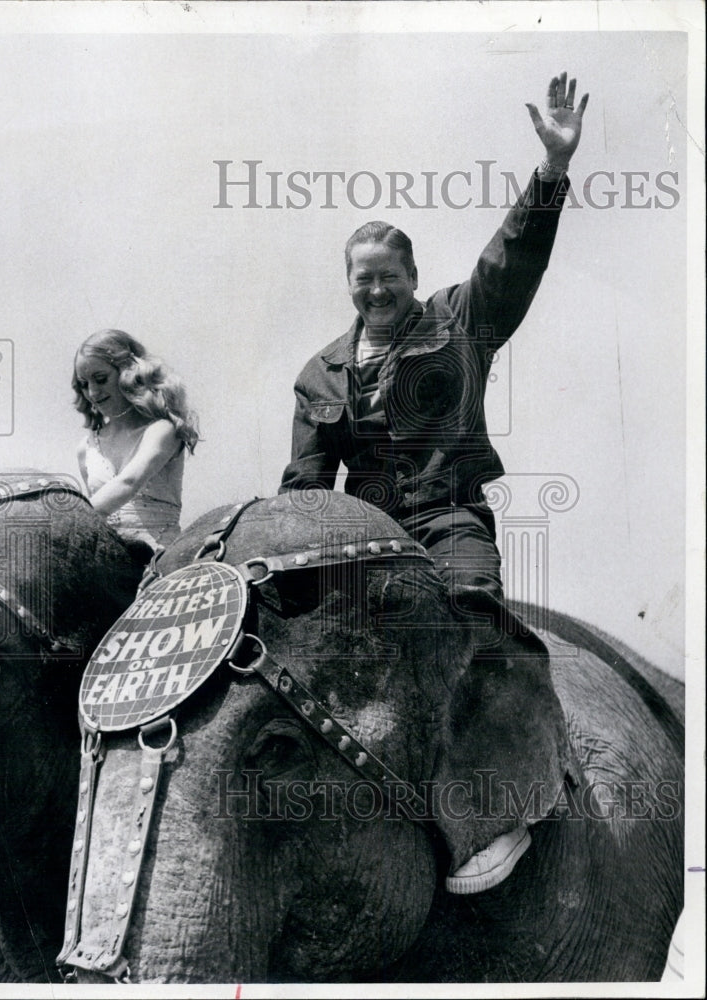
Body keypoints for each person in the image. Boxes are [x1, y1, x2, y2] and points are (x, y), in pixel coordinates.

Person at [280, 73, 589, 891]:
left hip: (447, 516)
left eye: (388, 275)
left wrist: (551, 171)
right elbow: (304, 486)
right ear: (348, 284)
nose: (375, 289)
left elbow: (511, 259)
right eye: (362, 277)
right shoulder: (319, 372)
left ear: (412, 276)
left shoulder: (461, 320)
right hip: (362, 537)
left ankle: (497, 808)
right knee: (306, 652)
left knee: (477, 628)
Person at [73, 329, 199, 554]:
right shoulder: (87, 447)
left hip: (161, 560)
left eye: (101, 379)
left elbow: (129, 482)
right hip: (109, 559)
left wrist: (70, 522)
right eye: (84, 384)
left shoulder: (161, 430)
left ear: (128, 372)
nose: (92, 392)